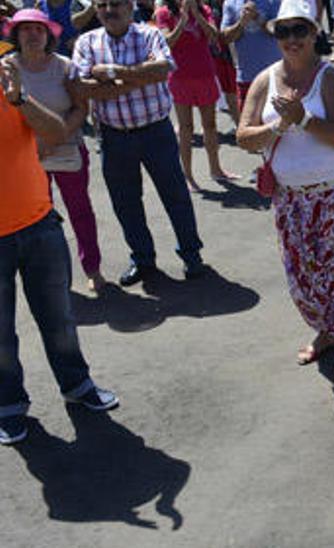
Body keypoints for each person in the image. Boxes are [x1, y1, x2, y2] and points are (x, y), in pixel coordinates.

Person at [0, 55, 120, 447]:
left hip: (38, 224)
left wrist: (19, 99)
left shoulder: (10, 91)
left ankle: (77, 383)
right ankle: (9, 405)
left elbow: (54, 133)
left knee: (59, 320)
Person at [237, 0, 334, 376]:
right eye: (283, 31)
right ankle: (324, 331)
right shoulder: (265, 79)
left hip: (332, 193)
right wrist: (277, 127)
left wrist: (303, 119)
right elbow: (243, 136)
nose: (291, 39)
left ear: (314, 34)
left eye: (299, 31)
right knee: (302, 271)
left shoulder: (329, 78)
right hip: (289, 196)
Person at [72, 0, 208, 286]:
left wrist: (112, 73)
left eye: (117, 3)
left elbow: (163, 68)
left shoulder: (149, 34)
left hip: (155, 132)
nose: (110, 10)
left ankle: (191, 255)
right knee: (126, 203)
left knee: (175, 197)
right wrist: (138, 77)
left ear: (130, 6)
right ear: (96, 10)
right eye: (103, 5)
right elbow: (82, 88)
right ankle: (143, 259)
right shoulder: (87, 42)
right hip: (114, 137)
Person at [7, 10, 105, 293]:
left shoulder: (63, 66)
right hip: (26, 159)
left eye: (39, 29)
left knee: (80, 211)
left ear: (49, 34)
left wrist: (56, 135)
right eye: (25, 29)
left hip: (66, 150)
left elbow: (80, 108)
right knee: (40, 220)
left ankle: (93, 268)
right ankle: (54, 278)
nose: (33, 35)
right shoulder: (7, 68)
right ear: (16, 35)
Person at [156, 0, 238, 191]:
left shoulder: (204, 9)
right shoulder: (163, 13)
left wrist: (198, 15)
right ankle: (187, 176)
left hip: (205, 74)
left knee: (210, 125)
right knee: (186, 128)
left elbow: (214, 37)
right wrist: (183, 20)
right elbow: (166, 43)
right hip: (180, 77)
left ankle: (216, 170)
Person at [221, 0, 283, 108]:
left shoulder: (275, 2)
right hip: (246, 78)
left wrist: (257, 18)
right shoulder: (230, 3)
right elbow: (225, 38)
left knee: (280, 122)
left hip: (275, 76)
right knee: (248, 123)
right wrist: (241, 23)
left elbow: (280, 31)